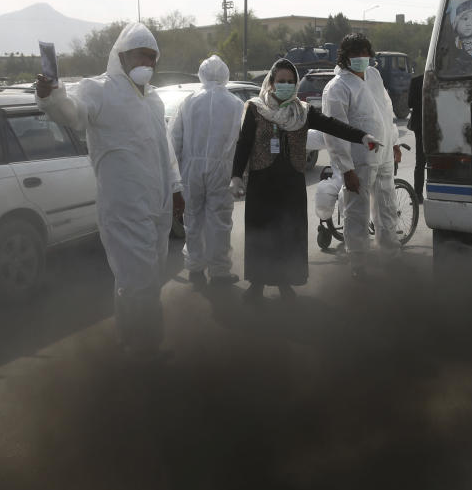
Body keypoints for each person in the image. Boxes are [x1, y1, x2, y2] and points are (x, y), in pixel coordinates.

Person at [35, 22, 185, 355]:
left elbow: (165, 147)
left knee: (150, 275)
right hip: (123, 205)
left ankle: (132, 337)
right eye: (141, 56)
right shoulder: (98, 89)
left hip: (157, 204)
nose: (149, 63)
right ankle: (144, 344)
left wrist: (175, 187)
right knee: (138, 279)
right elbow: (71, 112)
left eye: (153, 58)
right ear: (121, 56)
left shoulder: (154, 99)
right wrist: (50, 97)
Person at [231, 58, 381, 301]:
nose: (286, 86)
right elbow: (244, 144)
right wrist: (236, 176)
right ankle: (257, 284)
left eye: (290, 82)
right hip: (262, 183)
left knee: (289, 235)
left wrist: (362, 136)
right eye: (281, 81)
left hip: (291, 183)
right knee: (261, 234)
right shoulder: (256, 109)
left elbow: (333, 125)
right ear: (271, 82)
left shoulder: (302, 111)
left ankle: (285, 283)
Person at [322, 34, 402, 279]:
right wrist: (346, 169)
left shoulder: (374, 76)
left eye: (364, 53)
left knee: (387, 205)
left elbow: (386, 110)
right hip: (359, 161)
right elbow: (334, 132)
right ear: (344, 57)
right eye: (354, 54)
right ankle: (358, 263)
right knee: (357, 211)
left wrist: (395, 141)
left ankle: (390, 255)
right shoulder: (337, 87)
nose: (360, 58)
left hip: (385, 153)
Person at [168, 55, 243, 287]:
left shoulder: (188, 102)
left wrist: (177, 174)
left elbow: (174, 139)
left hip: (191, 169)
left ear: (201, 74)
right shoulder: (236, 103)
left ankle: (195, 266)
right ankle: (219, 270)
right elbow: (241, 142)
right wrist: (241, 175)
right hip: (222, 169)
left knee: (193, 219)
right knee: (219, 220)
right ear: (225, 75)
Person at [407, 74, 425, 203]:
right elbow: (410, 103)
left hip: (424, 124)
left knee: (421, 161)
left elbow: (410, 103)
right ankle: (417, 194)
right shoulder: (417, 81)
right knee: (421, 161)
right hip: (423, 125)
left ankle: (418, 194)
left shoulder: (417, 81)